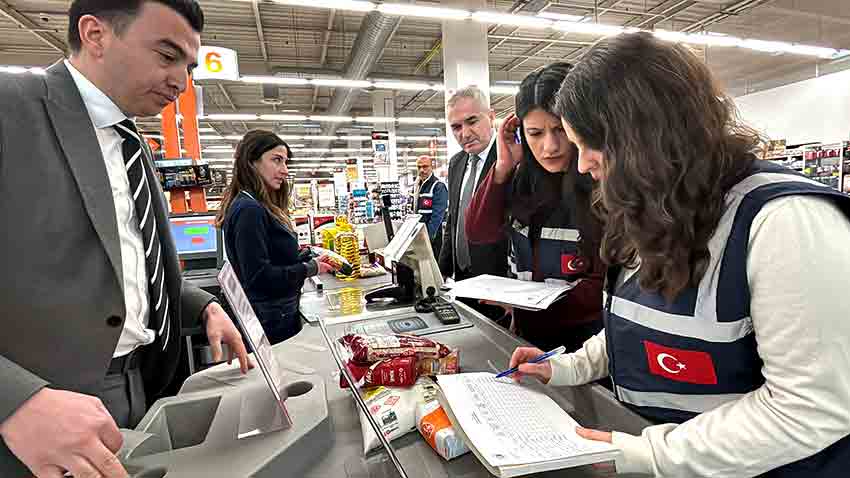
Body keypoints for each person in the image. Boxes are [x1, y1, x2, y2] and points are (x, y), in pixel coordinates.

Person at [510, 32, 850, 477]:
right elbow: (636, 332)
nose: (581, 164)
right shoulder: (653, 205)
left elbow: (810, 407)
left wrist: (648, 454)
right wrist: (566, 366)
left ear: (642, 137)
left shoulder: (784, 222)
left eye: (590, 145)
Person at [0, 1, 252, 477]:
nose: (181, 81)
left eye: (189, 65)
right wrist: (13, 399)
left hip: (140, 387)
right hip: (38, 420)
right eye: (165, 55)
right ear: (95, 34)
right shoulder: (11, 108)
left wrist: (201, 306)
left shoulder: (131, 142)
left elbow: (132, 268)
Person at [465, 63, 604, 353]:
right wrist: (503, 166)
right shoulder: (519, 182)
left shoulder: (600, 184)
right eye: (535, 133)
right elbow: (479, 232)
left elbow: (607, 285)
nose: (549, 146)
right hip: (526, 342)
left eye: (559, 130)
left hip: (587, 350)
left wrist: (531, 305)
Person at [217, 130, 341, 345]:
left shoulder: (255, 204)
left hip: (274, 314)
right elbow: (260, 277)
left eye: (285, 162)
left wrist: (299, 257)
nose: (284, 170)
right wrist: (311, 268)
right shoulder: (249, 209)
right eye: (276, 160)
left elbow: (268, 258)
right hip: (270, 318)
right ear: (251, 162)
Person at [440, 86, 510, 321]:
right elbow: (454, 220)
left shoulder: (509, 159)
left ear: (491, 117)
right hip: (462, 279)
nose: (465, 133)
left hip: (499, 283)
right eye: (456, 127)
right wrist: (440, 272)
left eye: (472, 121)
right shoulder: (456, 163)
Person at [413, 155, 448, 258]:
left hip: (433, 236)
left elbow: (437, 216)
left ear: (431, 167)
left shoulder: (438, 186)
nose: (422, 170)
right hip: (420, 234)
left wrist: (428, 236)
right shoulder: (418, 186)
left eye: (425, 166)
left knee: (434, 265)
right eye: (419, 167)